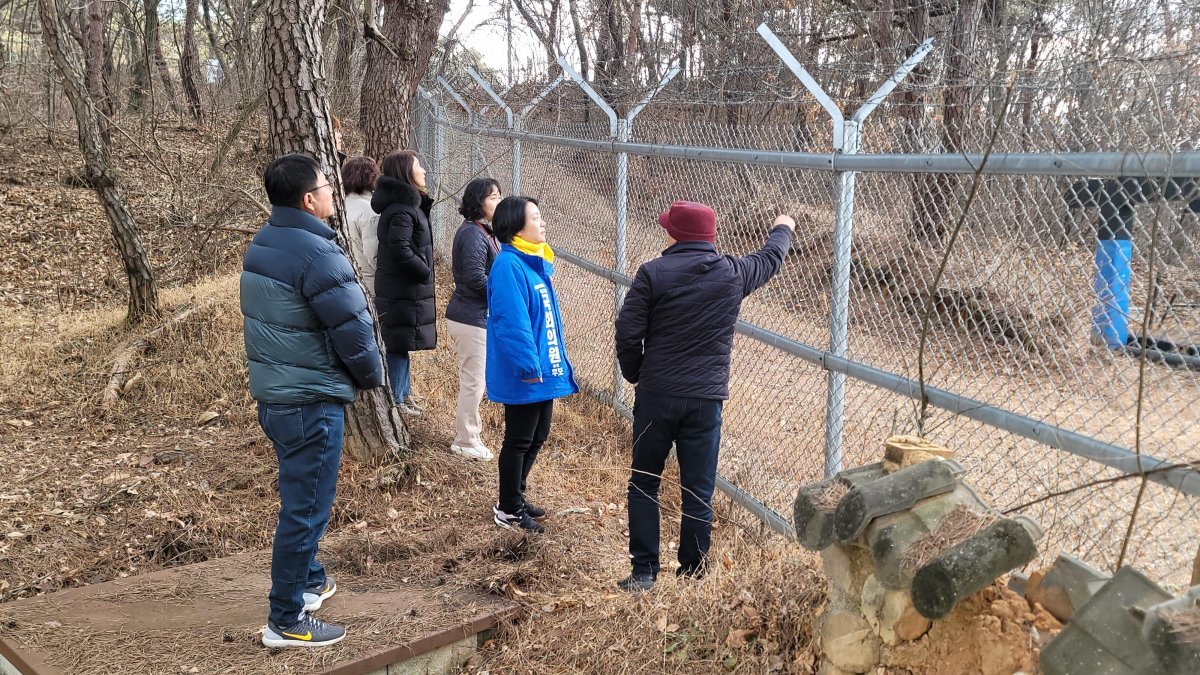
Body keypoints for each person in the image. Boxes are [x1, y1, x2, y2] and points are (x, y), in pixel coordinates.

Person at [614, 200, 795, 591]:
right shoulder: (734, 273)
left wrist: (636, 374)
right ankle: (692, 574)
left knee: (645, 480)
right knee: (698, 488)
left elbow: (628, 331)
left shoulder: (652, 273)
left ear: (674, 234)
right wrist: (784, 226)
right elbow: (771, 257)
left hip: (658, 394)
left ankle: (644, 571)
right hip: (705, 401)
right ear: (710, 237)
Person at [241, 153, 384, 646]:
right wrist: (371, 379)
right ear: (308, 199)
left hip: (278, 397)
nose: (331, 192)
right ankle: (286, 619)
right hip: (309, 399)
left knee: (301, 497)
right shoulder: (317, 253)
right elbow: (353, 328)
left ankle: (309, 579)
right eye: (326, 186)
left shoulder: (265, 242)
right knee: (305, 508)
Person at [486, 196, 578, 533]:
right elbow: (513, 322)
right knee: (519, 438)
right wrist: (528, 366)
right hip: (526, 373)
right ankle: (508, 508)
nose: (542, 224)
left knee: (538, 434)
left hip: (542, 368)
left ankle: (515, 496)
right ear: (516, 226)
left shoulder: (531, 262)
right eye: (536, 218)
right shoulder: (510, 265)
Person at [372, 150, 435, 416]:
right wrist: (423, 271)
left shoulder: (407, 206)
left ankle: (404, 394)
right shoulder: (401, 210)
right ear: (406, 172)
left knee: (401, 343)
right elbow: (399, 249)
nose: (423, 171)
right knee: (397, 343)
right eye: (418, 166)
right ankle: (396, 399)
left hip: (403, 289)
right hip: (400, 289)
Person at [446, 178, 503, 461]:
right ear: (479, 202)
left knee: (475, 381)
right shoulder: (472, 234)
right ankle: (465, 440)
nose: (499, 202)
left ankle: (470, 435)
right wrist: (504, 290)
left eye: (499, 196)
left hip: (476, 317)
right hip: (469, 317)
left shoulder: (486, 232)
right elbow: (473, 279)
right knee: (473, 382)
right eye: (493, 197)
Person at [342, 156, 381, 296]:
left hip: (350, 277)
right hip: (371, 283)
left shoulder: (344, 204)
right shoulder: (370, 211)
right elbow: (373, 255)